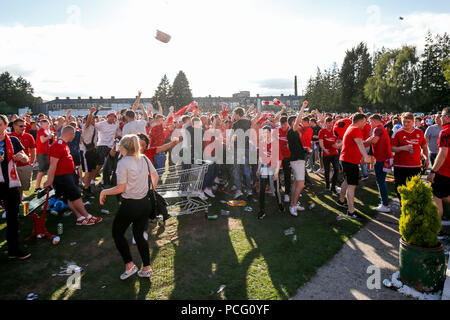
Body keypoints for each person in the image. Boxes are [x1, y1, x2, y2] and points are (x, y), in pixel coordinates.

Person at [99, 135, 158, 280]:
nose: (119, 147)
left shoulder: (123, 162)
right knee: (139, 235)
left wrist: (104, 191)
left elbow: (121, 188)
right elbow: (155, 176)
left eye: (120, 145)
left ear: (124, 147)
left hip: (130, 204)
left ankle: (130, 265)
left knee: (117, 233)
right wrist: (149, 190)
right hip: (145, 203)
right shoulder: (143, 157)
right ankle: (147, 268)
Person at [44, 126, 102, 226]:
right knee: (76, 196)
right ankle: (87, 216)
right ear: (71, 134)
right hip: (63, 177)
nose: (74, 136)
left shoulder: (63, 144)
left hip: (66, 175)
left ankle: (80, 218)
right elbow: (53, 165)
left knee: (70, 198)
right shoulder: (58, 145)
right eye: (74, 134)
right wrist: (50, 180)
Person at [0, 114, 31, 259]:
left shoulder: (12, 140)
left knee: (13, 219)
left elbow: (25, 157)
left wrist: (22, 157)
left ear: (6, 126)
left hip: (10, 184)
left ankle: (13, 250)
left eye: (0, 125)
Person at [336, 113, 371, 218]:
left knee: (347, 181)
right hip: (350, 161)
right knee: (352, 186)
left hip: (346, 160)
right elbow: (360, 144)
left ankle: (341, 201)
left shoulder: (350, 128)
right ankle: (351, 211)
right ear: (359, 121)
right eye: (364, 122)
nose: (365, 124)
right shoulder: (355, 130)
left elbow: (357, 143)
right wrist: (366, 156)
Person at [391, 112, 429, 202]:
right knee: (400, 188)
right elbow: (391, 148)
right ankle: (403, 205)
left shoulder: (419, 132)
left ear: (413, 121)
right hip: (400, 166)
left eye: (408, 122)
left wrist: (426, 158)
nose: (406, 124)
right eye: (404, 122)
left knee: (414, 188)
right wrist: (402, 148)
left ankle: (412, 207)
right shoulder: (397, 133)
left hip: (415, 166)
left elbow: (424, 146)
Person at [365, 114, 393, 213]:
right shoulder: (379, 128)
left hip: (382, 159)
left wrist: (361, 143)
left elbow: (374, 140)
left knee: (380, 181)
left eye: (370, 121)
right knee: (381, 181)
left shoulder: (378, 129)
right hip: (384, 158)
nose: (369, 123)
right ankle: (385, 203)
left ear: (375, 121)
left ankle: (385, 204)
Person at [287, 101, 309, 216]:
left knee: (296, 183)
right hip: (297, 160)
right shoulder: (292, 130)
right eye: (298, 123)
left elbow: (292, 146)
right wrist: (303, 107)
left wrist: (303, 148)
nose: (300, 125)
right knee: (301, 184)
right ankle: (293, 206)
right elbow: (299, 119)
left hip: (297, 159)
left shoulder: (293, 133)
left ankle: (293, 203)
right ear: (293, 122)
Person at [428, 107, 450, 220]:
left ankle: (436, 230)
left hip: (444, 172)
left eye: (441, 115)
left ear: (446, 117)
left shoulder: (445, 132)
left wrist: (432, 171)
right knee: (446, 196)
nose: (440, 118)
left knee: (437, 198)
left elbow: (442, 154)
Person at [257, 126, 283, 220]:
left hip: (273, 167)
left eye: (266, 132)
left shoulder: (275, 143)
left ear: (270, 133)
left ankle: (280, 204)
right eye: (263, 133)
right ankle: (262, 210)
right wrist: (258, 169)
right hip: (264, 167)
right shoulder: (262, 143)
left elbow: (279, 159)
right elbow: (260, 157)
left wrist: (276, 172)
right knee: (262, 189)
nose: (264, 134)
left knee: (276, 189)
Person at [9, 118, 36, 200]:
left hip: (24, 165)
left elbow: (33, 149)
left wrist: (32, 162)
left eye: (25, 126)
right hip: (11, 166)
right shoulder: (9, 136)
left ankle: (20, 201)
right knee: (11, 188)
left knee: (22, 186)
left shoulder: (29, 136)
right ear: (14, 126)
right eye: (21, 126)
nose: (24, 128)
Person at [95, 111, 122, 187]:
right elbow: (92, 124)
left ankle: (104, 181)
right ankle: (92, 180)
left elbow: (118, 132)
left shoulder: (116, 124)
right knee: (100, 165)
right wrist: (94, 113)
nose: (112, 118)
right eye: (110, 116)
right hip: (102, 145)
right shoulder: (101, 124)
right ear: (107, 117)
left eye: (113, 116)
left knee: (108, 165)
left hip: (111, 147)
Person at [319, 117, 341, 195]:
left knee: (336, 169)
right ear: (326, 123)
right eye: (329, 123)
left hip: (334, 153)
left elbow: (336, 144)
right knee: (327, 170)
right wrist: (324, 149)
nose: (330, 124)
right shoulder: (322, 131)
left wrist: (340, 144)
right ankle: (327, 185)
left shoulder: (334, 131)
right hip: (326, 154)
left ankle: (333, 187)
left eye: (331, 123)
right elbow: (321, 142)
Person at [34, 119, 52, 193]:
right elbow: (42, 140)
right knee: (41, 171)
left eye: (48, 124)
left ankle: (48, 185)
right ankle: (37, 188)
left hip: (45, 153)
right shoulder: (41, 130)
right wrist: (49, 137)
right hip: (41, 153)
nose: (48, 125)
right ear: (42, 124)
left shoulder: (45, 130)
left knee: (48, 170)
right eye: (46, 124)